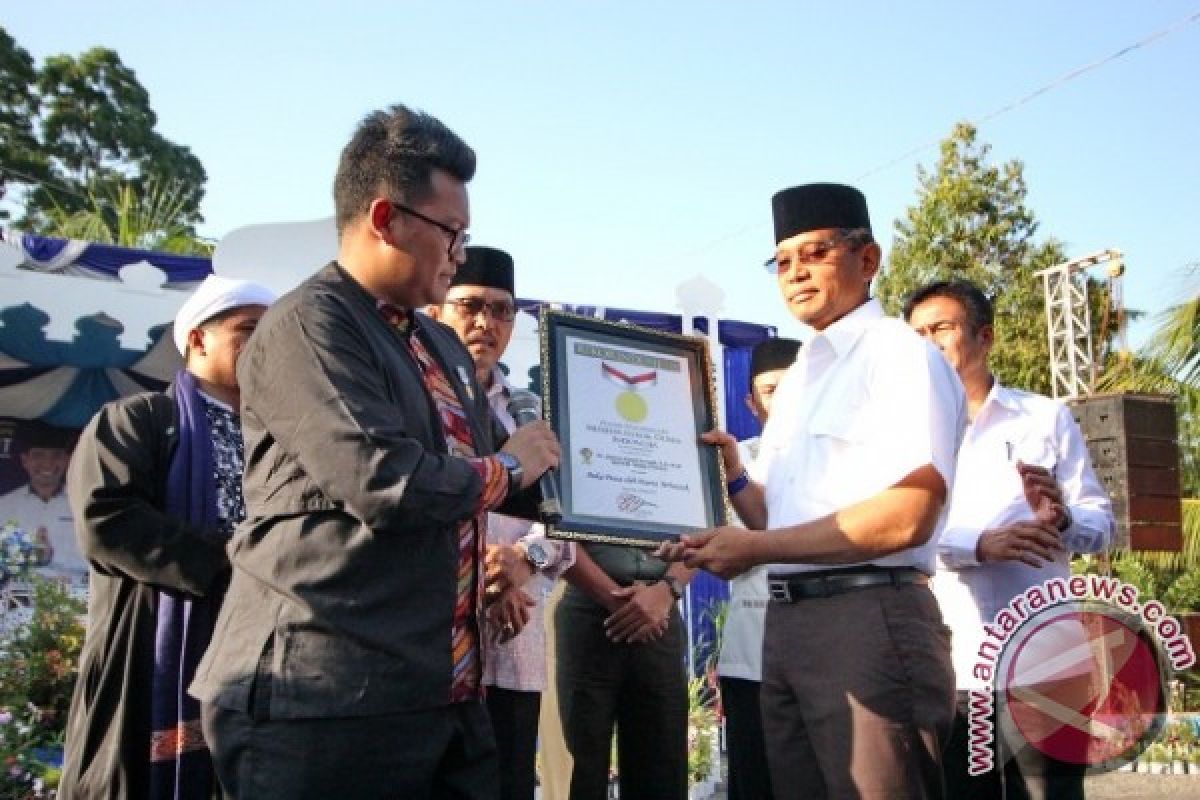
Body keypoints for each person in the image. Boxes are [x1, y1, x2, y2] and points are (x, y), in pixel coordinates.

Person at [190, 104, 560, 800]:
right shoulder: (310, 323)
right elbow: (385, 482)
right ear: (386, 219)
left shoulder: (437, 342)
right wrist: (511, 464)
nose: (459, 251)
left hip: (438, 688)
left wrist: (641, 504)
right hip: (322, 693)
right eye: (451, 232)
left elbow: (492, 479)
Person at [658, 182, 966, 799]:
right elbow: (780, 517)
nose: (796, 273)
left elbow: (911, 512)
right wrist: (732, 476)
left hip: (869, 618)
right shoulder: (798, 381)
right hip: (789, 625)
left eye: (816, 253)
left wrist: (755, 550)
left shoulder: (899, 356)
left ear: (868, 259)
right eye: (783, 261)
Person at [60, 274, 275, 800]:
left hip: (257, 652)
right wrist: (238, 566)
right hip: (153, 642)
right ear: (197, 339)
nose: (264, 348)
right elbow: (107, 522)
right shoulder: (140, 420)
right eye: (249, 330)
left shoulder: (284, 438)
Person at [904, 279, 1114, 800]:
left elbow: (1102, 524)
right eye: (918, 335)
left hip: (1047, 660)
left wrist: (1063, 519)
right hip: (952, 662)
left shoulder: (1044, 416)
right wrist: (979, 544)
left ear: (985, 337)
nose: (929, 343)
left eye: (942, 329)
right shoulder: (902, 435)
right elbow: (895, 534)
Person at [426, 245, 576, 800]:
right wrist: (487, 575)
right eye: (469, 306)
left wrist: (520, 562)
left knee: (507, 780)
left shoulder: (528, 411)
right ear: (438, 306)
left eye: (502, 310)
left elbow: (565, 532)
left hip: (515, 636)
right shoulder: (419, 397)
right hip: (435, 639)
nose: (485, 323)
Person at [717, 336, 800, 800]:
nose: (783, 402)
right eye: (771, 391)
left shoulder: (836, 460)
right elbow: (730, 553)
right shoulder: (731, 460)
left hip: (821, 652)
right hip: (750, 656)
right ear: (751, 401)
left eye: (794, 388)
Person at [0, 421, 82, 581]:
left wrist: (53, 557)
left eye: (56, 455)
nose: (48, 463)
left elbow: (98, 559)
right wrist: (32, 557)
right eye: (38, 455)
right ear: (25, 460)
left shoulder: (84, 506)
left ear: (67, 460)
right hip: (17, 598)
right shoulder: (4, 505)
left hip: (75, 595)